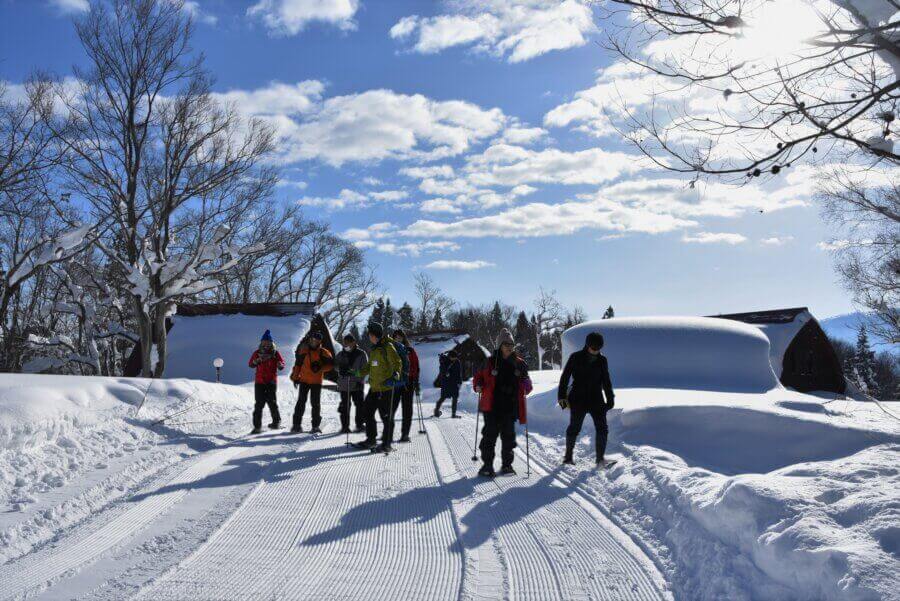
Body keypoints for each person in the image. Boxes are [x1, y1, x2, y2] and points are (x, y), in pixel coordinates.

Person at [473, 329, 532, 477]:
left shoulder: (519, 363)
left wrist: (527, 385)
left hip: (510, 406)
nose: (509, 347)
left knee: (508, 437)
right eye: (506, 344)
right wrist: (478, 385)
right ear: (500, 345)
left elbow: (527, 381)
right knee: (490, 436)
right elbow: (478, 377)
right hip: (491, 405)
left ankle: (507, 465)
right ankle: (487, 466)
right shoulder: (489, 362)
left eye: (511, 344)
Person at [557, 331, 615, 466]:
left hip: (596, 399)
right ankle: (568, 456)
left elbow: (606, 381)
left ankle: (600, 459)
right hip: (578, 398)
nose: (596, 351)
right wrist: (561, 397)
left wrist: (610, 398)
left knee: (602, 428)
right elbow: (564, 378)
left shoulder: (602, 360)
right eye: (593, 348)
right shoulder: (575, 357)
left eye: (598, 349)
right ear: (587, 345)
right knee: (574, 428)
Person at [353, 323, 402, 453]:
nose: (369, 337)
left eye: (370, 334)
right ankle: (371, 440)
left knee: (386, 417)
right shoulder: (375, 349)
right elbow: (369, 367)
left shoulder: (388, 346)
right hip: (374, 388)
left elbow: (397, 362)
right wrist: (355, 373)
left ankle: (387, 444)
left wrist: (395, 375)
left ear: (375, 335)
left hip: (386, 388)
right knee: (367, 412)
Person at [290, 331, 333, 433]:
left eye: (316, 340)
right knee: (300, 402)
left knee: (315, 404)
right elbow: (298, 365)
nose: (314, 341)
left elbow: (331, 366)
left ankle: (315, 426)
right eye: (313, 339)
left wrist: (320, 368)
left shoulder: (324, 352)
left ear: (319, 341)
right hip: (304, 380)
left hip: (316, 382)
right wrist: (295, 377)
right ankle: (296, 425)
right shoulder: (304, 351)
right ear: (310, 340)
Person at [248, 330, 285, 434]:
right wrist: (256, 361)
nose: (266, 344)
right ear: (261, 342)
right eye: (264, 342)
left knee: (272, 402)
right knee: (259, 404)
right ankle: (257, 427)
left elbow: (282, 363)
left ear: (271, 343)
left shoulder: (275, 353)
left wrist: (280, 365)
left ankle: (276, 422)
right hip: (259, 381)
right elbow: (250, 364)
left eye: (268, 342)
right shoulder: (257, 353)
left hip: (271, 381)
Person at [335, 333, 368, 434]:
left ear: (354, 342)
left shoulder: (361, 354)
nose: (346, 345)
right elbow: (335, 366)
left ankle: (360, 425)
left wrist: (360, 379)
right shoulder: (341, 354)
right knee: (345, 406)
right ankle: (345, 427)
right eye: (344, 343)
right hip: (344, 385)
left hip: (357, 384)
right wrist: (341, 369)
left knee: (360, 405)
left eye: (348, 343)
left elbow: (366, 369)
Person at [391, 329, 420, 442]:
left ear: (403, 338)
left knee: (407, 409)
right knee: (391, 409)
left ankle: (405, 434)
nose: (398, 339)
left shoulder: (410, 350)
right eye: (396, 337)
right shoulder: (390, 350)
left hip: (408, 383)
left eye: (400, 337)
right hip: (395, 383)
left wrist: (415, 381)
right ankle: (388, 433)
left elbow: (416, 367)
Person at [434, 350, 463, 418]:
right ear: (450, 357)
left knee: (455, 398)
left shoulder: (457, 362)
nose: (455, 358)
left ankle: (453, 414)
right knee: (443, 398)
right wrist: (445, 373)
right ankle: (436, 411)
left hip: (454, 383)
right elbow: (442, 372)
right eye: (454, 357)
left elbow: (459, 373)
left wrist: (459, 382)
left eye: (456, 357)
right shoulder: (444, 361)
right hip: (446, 383)